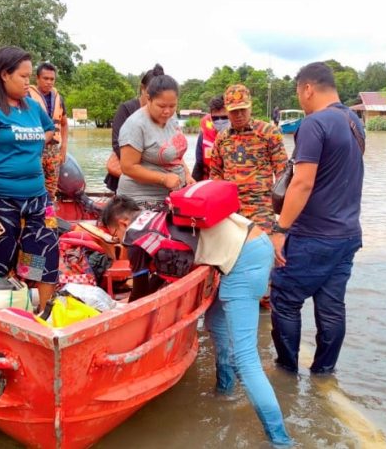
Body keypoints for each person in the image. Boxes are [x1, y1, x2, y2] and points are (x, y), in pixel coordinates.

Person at [101, 196, 294, 447]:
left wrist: (117, 312)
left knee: (246, 360)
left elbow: (141, 294)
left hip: (244, 262)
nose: (118, 240)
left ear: (122, 222)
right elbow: (165, 273)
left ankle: (281, 440)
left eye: (114, 233)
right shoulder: (157, 212)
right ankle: (225, 390)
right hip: (254, 244)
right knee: (215, 323)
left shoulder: (136, 235)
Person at [269, 62, 364, 375]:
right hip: (347, 233)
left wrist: (280, 229)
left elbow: (303, 182)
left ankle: (286, 372)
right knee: (331, 306)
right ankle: (324, 372)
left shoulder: (313, 124)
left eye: (299, 92)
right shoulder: (355, 121)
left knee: (284, 299)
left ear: (307, 88)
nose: (300, 98)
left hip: (314, 235)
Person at [0, 46, 59, 306]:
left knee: (44, 250)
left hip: (36, 196)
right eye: (24, 77)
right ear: (5, 75)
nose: (29, 83)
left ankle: (43, 312)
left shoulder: (30, 107)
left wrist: (31, 149)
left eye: (30, 77)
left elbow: (49, 130)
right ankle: (3, 314)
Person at [209, 84, 288, 233]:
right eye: (233, 111)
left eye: (242, 110)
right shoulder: (222, 137)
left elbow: (282, 173)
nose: (238, 115)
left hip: (261, 208)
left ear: (250, 107)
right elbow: (215, 174)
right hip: (230, 210)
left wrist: (283, 216)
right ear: (227, 110)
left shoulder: (268, 132)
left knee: (262, 251)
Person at [117, 71, 194, 210]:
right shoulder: (135, 124)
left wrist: (187, 175)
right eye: (162, 106)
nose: (167, 111)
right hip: (140, 199)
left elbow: (175, 152)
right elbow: (128, 167)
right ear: (148, 98)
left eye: (172, 106)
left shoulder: (172, 117)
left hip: (173, 194)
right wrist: (164, 179)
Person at [104, 64, 163, 192]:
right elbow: (117, 143)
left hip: (156, 176)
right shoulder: (126, 109)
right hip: (129, 175)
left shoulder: (163, 113)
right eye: (151, 92)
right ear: (142, 88)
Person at [28, 62, 68, 202]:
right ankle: (31, 216)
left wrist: (64, 146)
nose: (49, 82)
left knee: (52, 187)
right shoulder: (27, 96)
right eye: (46, 78)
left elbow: (64, 123)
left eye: (52, 79)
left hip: (53, 149)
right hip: (34, 148)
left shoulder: (59, 98)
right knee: (33, 185)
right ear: (37, 78)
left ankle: (49, 218)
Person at [191, 96, 229, 181]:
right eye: (215, 118)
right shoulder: (204, 136)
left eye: (224, 117)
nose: (220, 121)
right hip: (210, 182)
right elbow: (199, 164)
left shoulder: (242, 135)